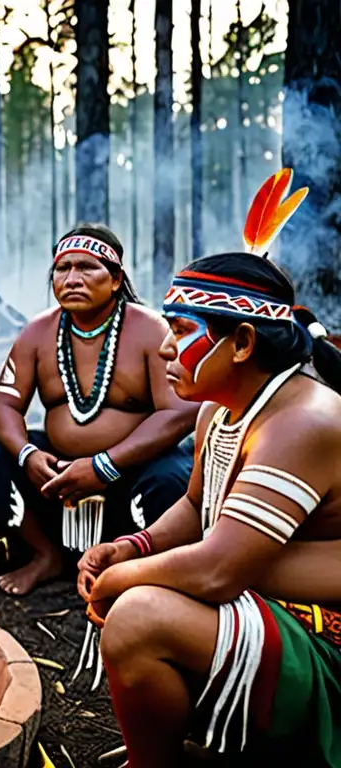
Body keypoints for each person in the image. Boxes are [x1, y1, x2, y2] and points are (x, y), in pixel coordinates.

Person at [77, 170, 341, 767]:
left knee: (139, 617)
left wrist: (126, 579)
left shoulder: (301, 422)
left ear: (242, 344)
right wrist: (133, 545)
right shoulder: (220, 412)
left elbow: (219, 570)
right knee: (142, 593)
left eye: (180, 331)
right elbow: (198, 507)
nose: (165, 348)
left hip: (329, 643)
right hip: (276, 609)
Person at [0, 224, 199, 595]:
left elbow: (180, 411)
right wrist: (28, 456)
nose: (72, 278)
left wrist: (104, 464)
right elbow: (5, 406)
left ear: (115, 278)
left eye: (87, 268)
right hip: (55, 475)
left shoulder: (151, 330)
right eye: (63, 268)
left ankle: (134, 568)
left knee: (173, 478)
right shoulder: (36, 334)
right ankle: (45, 555)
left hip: (130, 472)